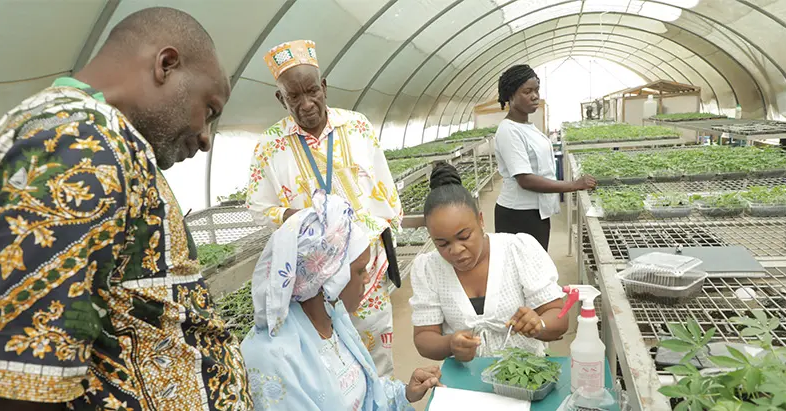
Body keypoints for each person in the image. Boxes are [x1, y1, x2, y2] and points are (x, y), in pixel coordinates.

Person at [0, 7, 252, 410]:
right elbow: (26, 379)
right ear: (166, 65)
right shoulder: (77, 141)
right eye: (210, 110)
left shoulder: (100, 140)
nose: (205, 138)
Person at [246, 40, 402, 376]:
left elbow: (385, 191)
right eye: (294, 97)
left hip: (366, 270)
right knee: (328, 364)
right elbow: (258, 205)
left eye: (312, 91)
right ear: (280, 99)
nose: (306, 104)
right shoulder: (269, 145)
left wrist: (371, 237)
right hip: (310, 282)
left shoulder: (357, 127)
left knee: (376, 354)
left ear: (325, 87)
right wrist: (299, 218)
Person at [242, 191, 439, 410]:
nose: (367, 277)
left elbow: (363, 393)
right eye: (359, 270)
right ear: (327, 278)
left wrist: (404, 393)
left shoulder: (334, 320)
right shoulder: (273, 359)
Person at [409, 163, 569, 362]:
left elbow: (559, 318)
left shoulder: (517, 249)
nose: (456, 250)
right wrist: (450, 344)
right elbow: (424, 337)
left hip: (524, 370)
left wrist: (539, 325)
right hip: (466, 376)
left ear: (481, 221)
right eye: (442, 244)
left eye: (465, 236)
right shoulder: (429, 269)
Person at [494, 64, 596, 250]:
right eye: (527, 91)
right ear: (511, 96)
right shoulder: (508, 130)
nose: (535, 96)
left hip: (536, 213)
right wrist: (574, 185)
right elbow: (525, 180)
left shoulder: (526, 125)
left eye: (536, 90)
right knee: (524, 272)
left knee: (536, 268)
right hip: (518, 215)